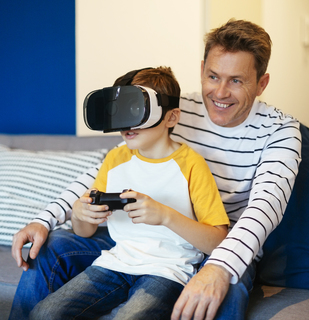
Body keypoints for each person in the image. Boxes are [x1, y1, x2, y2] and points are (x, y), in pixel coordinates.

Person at [9, 19, 302, 320]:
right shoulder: (168, 107)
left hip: (218, 242)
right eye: (213, 76)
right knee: (49, 245)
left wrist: (220, 266)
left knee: (225, 290)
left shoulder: (281, 131)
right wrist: (46, 218)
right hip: (137, 239)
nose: (221, 92)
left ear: (262, 83)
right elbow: (103, 173)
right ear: (202, 69)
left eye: (236, 81)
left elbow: (265, 209)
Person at [30, 66, 230, 319]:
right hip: (115, 262)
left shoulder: (191, 165)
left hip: (169, 270)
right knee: (44, 313)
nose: (126, 125)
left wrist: (165, 216)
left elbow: (218, 241)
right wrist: (80, 215)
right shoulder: (115, 158)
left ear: (171, 118)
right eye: (121, 111)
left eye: (137, 110)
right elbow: (85, 231)